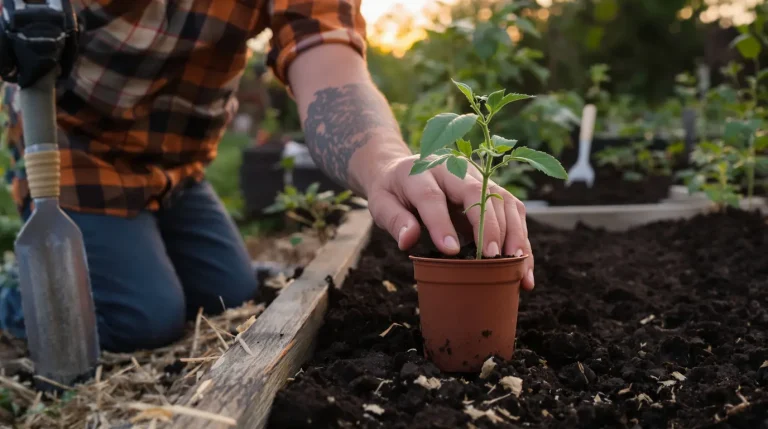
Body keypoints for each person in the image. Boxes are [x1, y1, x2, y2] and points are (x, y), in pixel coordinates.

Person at [0, 0, 534, 352]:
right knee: (143, 319)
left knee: (230, 296)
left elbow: (330, 73)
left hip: (177, 163)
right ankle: (13, 296)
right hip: (72, 145)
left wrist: (388, 165)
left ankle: (138, 238)